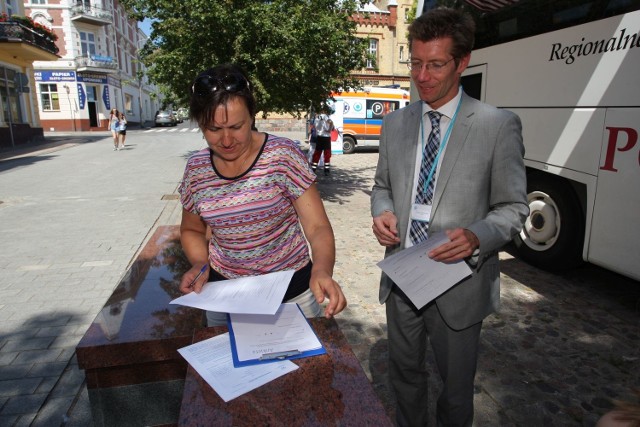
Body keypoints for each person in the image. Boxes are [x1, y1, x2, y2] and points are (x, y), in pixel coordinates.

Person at [370, 8, 528, 426]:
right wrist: (382, 211)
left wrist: (477, 236)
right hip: (403, 277)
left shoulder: (498, 125)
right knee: (404, 376)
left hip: (459, 283)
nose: (422, 76)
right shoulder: (394, 124)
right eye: (416, 62)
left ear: (462, 62)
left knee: (456, 391)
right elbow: (382, 186)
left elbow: (514, 208)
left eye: (436, 64)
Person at [178, 63, 347, 326]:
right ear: (200, 123)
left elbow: (317, 227)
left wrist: (322, 270)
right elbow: (191, 230)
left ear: (252, 116)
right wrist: (200, 264)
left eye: (236, 126)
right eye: (213, 129)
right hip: (224, 298)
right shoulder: (197, 169)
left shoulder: (283, 155)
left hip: (292, 297)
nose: (226, 140)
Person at [311, 109, 334, 176]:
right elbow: (331, 122)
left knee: (317, 153)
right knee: (327, 154)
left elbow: (315, 127)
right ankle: (326, 170)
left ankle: (313, 169)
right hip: (326, 137)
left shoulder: (316, 118)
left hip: (319, 137)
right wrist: (329, 129)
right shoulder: (324, 116)